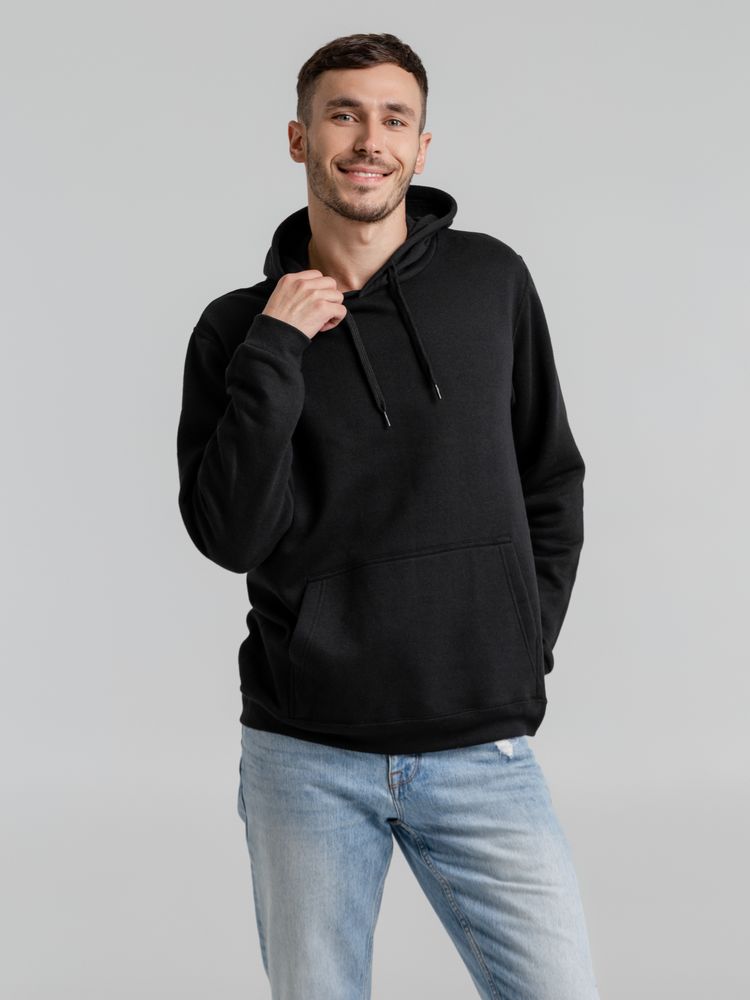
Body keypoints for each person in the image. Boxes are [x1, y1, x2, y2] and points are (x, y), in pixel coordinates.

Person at [176, 31, 600, 1000]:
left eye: (393, 119)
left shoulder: (491, 282)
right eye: (343, 115)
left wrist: (519, 642)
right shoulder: (237, 328)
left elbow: (551, 477)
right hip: (306, 753)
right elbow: (231, 535)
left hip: (481, 746)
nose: (369, 140)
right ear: (300, 138)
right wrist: (276, 348)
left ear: (420, 144)